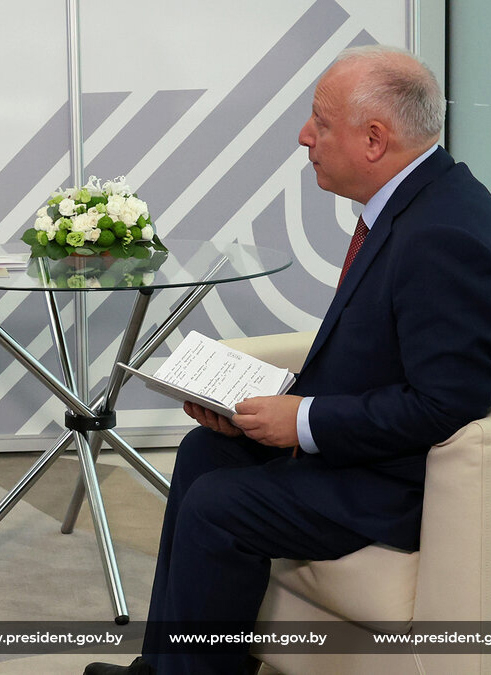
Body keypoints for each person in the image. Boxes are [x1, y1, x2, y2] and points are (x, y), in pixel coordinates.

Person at [86, 44, 491, 675]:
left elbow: (447, 404)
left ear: (375, 139)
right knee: (203, 452)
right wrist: (257, 411)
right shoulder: (414, 204)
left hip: (396, 483)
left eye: (321, 123)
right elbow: (379, 357)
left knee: (218, 506)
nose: (305, 136)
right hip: (364, 452)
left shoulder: (441, 234)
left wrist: (301, 422)